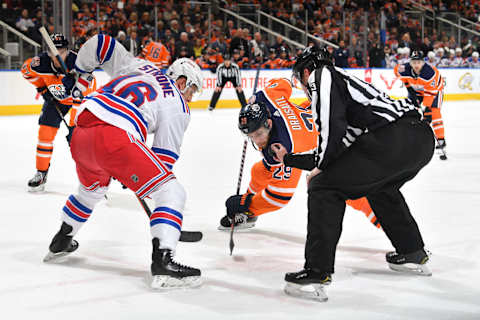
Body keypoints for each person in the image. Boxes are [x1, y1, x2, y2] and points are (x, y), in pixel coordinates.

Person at [271, 46, 434, 301]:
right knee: (380, 187)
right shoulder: (348, 91)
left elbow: (330, 130)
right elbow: (338, 148)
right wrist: (289, 159)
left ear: (305, 70)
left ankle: (317, 270)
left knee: (323, 187)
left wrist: (320, 170)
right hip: (420, 140)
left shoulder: (321, 75)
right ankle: (412, 250)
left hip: (392, 138)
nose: (302, 85)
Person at [43, 34, 203, 290]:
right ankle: (163, 259)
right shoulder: (178, 105)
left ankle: (62, 239)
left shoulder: (139, 65)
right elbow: (164, 160)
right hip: (115, 137)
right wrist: (136, 178)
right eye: (193, 90)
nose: (192, 98)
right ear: (182, 81)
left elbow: (101, 43)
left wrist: (82, 74)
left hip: (82, 129)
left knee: (91, 190)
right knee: (172, 192)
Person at [219, 78, 381, 231]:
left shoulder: (279, 147)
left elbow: (279, 196)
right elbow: (285, 83)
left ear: (268, 123)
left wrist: (245, 204)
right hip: (319, 122)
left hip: (332, 143)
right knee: (258, 171)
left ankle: (393, 229)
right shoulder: (267, 97)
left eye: (259, 134)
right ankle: (247, 208)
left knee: (347, 192)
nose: (256, 140)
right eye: (251, 136)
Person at [21, 33, 96, 192]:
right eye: (53, 51)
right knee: (45, 135)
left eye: (61, 51)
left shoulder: (78, 63)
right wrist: (42, 88)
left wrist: (73, 127)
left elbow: (80, 98)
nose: (57, 55)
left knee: (83, 141)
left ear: (67, 50)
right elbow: (26, 72)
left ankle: (94, 177)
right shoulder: (41, 62)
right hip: (57, 101)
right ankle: (41, 173)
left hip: (82, 101)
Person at [394, 51, 447, 159]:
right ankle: (413, 138)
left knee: (434, 112)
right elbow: (398, 73)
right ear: (410, 63)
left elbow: (430, 93)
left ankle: (441, 139)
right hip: (417, 90)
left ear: (423, 62)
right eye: (414, 62)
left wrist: (426, 107)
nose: (416, 65)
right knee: (411, 111)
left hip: (435, 91)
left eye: (419, 62)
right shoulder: (404, 69)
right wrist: (409, 89)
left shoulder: (429, 73)